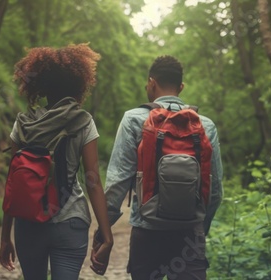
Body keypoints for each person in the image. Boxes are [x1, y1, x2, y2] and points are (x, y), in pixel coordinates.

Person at [91, 55, 223, 279]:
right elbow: (216, 190)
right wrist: (201, 228)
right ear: (181, 87)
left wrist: (103, 233)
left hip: (147, 231)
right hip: (189, 233)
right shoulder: (205, 125)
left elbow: (117, 183)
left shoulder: (134, 119)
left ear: (151, 82)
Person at [0, 44, 113, 280]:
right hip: (70, 222)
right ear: (79, 84)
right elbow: (93, 181)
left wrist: (4, 237)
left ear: (40, 85)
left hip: (29, 222)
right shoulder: (82, 120)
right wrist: (106, 234)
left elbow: (13, 183)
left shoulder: (23, 124)